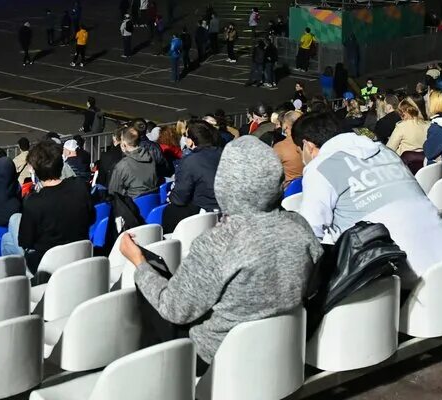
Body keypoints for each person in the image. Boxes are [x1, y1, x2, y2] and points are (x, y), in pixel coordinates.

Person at [123, 136, 322, 373]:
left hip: (219, 356)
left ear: (226, 184)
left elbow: (174, 309)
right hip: (282, 346)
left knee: (150, 294)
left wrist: (140, 264)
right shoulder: (299, 225)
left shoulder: (218, 243)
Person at [293, 112, 442, 277]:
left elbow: (309, 234)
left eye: (300, 152)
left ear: (307, 146)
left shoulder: (320, 168)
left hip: (402, 283)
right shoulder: (384, 151)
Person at [5, 140, 94, 271]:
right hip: (79, 254)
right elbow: (91, 217)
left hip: (48, 264)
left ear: (35, 170)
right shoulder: (80, 186)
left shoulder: (34, 202)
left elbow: (26, 241)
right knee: (6, 238)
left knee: (7, 239)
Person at [162, 119, 222, 232]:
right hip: (224, 207)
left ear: (191, 141)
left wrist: (171, 197)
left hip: (207, 212)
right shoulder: (223, 152)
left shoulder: (190, 161)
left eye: (186, 135)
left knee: (170, 212)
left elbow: (180, 198)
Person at [107, 127, 160, 201]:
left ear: (124, 144)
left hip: (132, 206)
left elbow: (113, 192)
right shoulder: (151, 156)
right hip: (152, 202)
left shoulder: (122, 165)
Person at [387, 97, 430, 172]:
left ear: (404, 112)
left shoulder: (401, 127)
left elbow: (389, 149)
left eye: (400, 113)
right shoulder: (428, 125)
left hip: (406, 168)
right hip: (427, 168)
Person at [273, 110, 305, 188]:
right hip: (306, 187)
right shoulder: (310, 145)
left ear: (285, 126)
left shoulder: (280, 147)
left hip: (288, 192)